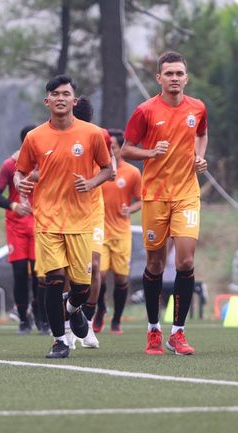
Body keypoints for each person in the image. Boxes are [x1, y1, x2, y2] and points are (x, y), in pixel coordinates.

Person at [15, 75, 112, 359]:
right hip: (47, 220)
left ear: (74, 100)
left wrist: (92, 183)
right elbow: (21, 170)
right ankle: (59, 340)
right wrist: (21, 182)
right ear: (47, 100)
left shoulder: (92, 134)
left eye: (65, 93)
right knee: (54, 280)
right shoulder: (34, 137)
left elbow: (108, 169)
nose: (60, 98)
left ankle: (74, 308)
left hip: (81, 220)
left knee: (82, 287)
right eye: (55, 94)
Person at [121, 51, 208, 356]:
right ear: (159, 78)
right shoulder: (145, 111)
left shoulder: (197, 107)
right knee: (155, 264)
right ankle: (153, 329)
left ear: (187, 77)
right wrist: (150, 153)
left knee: (185, 262)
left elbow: (201, 132)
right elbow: (126, 150)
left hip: (186, 194)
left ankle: (178, 332)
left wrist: (199, 156)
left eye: (179, 73)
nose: (174, 78)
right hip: (155, 196)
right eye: (168, 73)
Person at [0, 124, 45, 335]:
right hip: (17, 227)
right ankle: (23, 319)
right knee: (20, 273)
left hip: (41, 225)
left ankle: (42, 319)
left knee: (41, 275)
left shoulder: (46, 162)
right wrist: (14, 206)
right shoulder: (10, 165)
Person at [67, 96, 109, 349]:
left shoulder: (98, 135)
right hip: (63, 209)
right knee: (64, 271)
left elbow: (108, 169)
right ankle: (66, 323)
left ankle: (88, 322)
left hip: (92, 209)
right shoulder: (51, 133)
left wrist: (91, 182)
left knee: (93, 266)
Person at [95, 128, 142, 334]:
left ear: (120, 149)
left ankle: (116, 320)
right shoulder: (99, 169)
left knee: (122, 278)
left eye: (112, 147)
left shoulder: (132, 172)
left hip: (122, 232)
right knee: (100, 274)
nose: (109, 150)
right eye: (107, 147)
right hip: (100, 231)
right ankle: (100, 310)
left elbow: (141, 200)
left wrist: (129, 209)